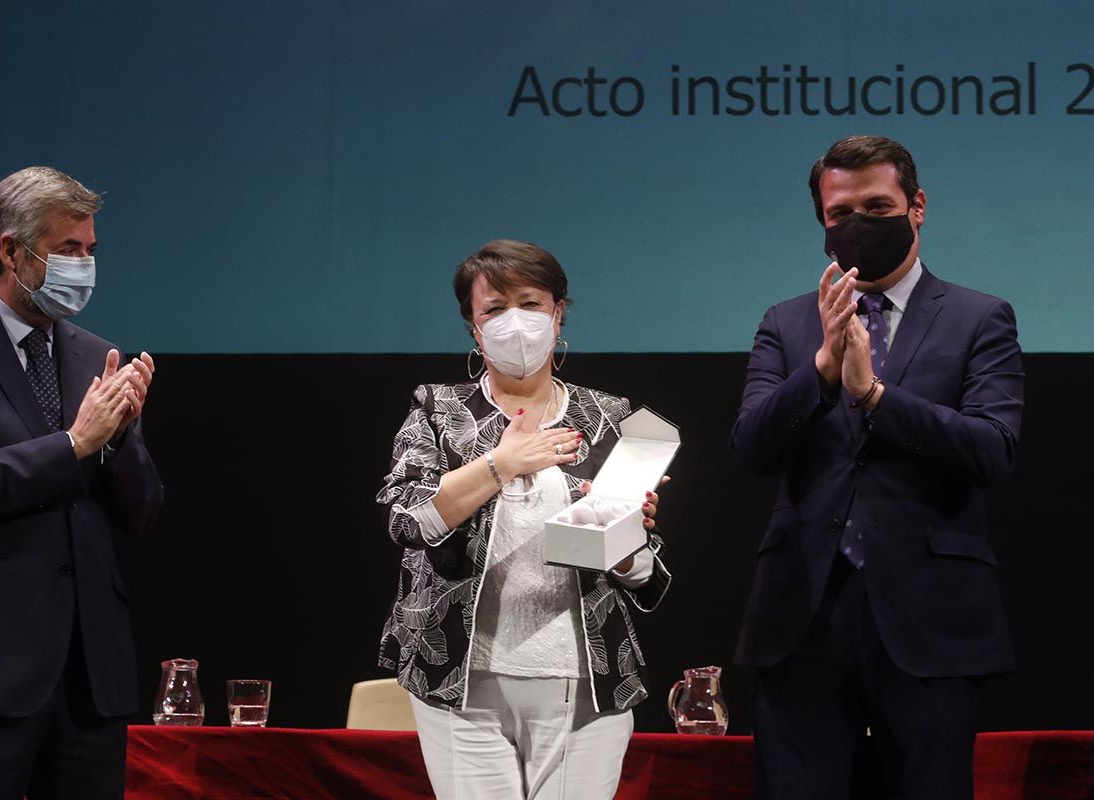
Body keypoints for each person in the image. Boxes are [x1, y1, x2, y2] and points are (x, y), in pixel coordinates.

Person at [730, 136, 1024, 799]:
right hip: (801, 616)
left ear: (916, 207)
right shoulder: (787, 322)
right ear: (822, 223)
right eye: (839, 213)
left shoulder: (981, 319)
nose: (857, 224)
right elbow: (750, 446)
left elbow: (992, 449)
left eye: (876, 205)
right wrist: (822, 374)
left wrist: (876, 397)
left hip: (930, 618)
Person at [0, 166, 164, 798]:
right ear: (12, 250)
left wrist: (121, 438)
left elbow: (143, 512)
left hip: (88, 677)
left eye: (90, 250)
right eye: (68, 249)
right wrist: (75, 444)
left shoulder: (95, 353)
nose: (84, 266)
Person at [377, 240, 672, 799]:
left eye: (531, 303)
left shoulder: (608, 419)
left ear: (559, 313)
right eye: (494, 309)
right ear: (473, 327)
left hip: (585, 682)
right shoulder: (438, 411)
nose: (516, 322)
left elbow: (647, 580)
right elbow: (407, 523)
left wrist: (629, 538)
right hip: (460, 680)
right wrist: (498, 465)